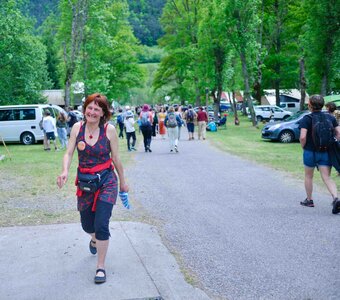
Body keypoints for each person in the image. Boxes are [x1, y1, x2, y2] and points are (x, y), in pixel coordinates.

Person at [57, 93, 129, 283]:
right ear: (85, 109)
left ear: (104, 113)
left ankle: (100, 267)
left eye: (97, 109)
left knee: (101, 224)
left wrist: (123, 181)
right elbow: (69, 152)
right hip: (85, 182)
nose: (92, 111)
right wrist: (65, 171)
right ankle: (94, 239)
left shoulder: (109, 130)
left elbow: (117, 159)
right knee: (87, 225)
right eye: (90, 107)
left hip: (107, 180)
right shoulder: (76, 128)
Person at [298, 94, 340, 214]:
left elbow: (302, 137)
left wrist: (304, 147)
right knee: (326, 177)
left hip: (310, 152)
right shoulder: (330, 118)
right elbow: (338, 133)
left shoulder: (306, 119)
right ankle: (336, 198)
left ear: (310, 105)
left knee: (308, 176)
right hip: (325, 151)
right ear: (322, 105)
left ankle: (309, 200)